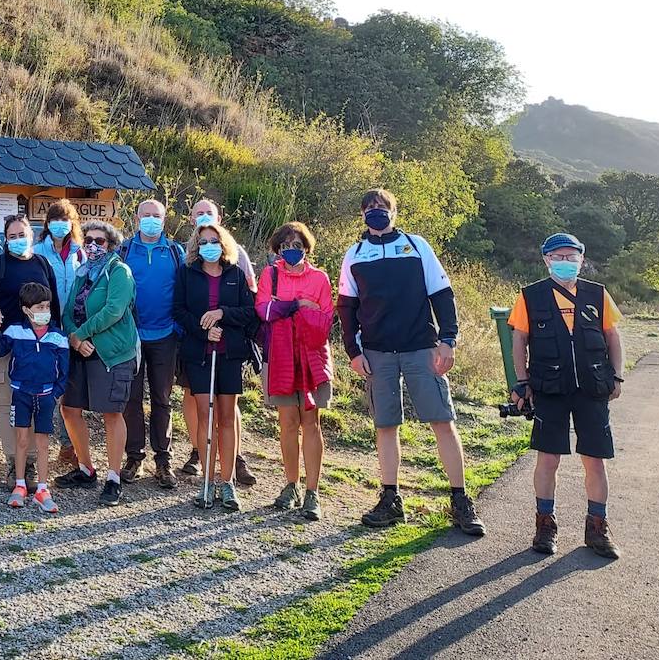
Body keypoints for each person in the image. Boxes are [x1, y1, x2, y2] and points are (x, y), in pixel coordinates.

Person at [339, 188, 485, 536]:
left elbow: (441, 293)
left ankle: (460, 501)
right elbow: (346, 307)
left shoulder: (417, 245)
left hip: (422, 347)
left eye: (383, 207)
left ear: (394, 211)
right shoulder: (354, 254)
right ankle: (391, 500)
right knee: (385, 426)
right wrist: (353, 352)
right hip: (377, 353)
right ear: (362, 215)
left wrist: (448, 339)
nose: (376, 212)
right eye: (370, 208)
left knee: (442, 421)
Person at [508, 232, 624, 559]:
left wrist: (617, 376)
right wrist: (521, 381)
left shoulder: (597, 294)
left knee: (595, 460)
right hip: (549, 389)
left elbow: (612, 337)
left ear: (581, 259)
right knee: (548, 459)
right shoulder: (530, 296)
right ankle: (545, 526)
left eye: (571, 257)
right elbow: (519, 340)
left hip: (592, 389)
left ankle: (597, 528)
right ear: (546, 259)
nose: (565, 262)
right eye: (558, 257)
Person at [173, 221, 258, 511]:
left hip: (229, 355)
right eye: (204, 241)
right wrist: (202, 330)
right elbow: (179, 311)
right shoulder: (187, 273)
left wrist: (222, 313)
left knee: (227, 418)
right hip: (198, 354)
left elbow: (250, 312)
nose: (209, 246)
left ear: (223, 244)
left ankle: (227, 481)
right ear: (197, 246)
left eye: (214, 240)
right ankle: (207, 481)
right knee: (204, 416)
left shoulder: (235, 273)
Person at [56, 220, 139, 506]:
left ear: (111, 244)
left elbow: (113, 310)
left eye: (99, 241)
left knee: (111, 413)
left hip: (112, 353)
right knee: (69, 409)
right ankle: (85, 468)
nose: (92, 245)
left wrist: (81, 334)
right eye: (88, 239)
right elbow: (68, 311)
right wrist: (74, 339)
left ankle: (114, 478)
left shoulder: (119, 272)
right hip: (81, 351)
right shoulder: (83, 273)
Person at [256, 221, 334, 520]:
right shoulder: (270, 274)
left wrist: (284, 308)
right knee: (287, 422)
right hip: (281, 355)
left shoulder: (320, 278)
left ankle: (313, 492)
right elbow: (263, 310)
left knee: (311, 423)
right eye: (285, 246)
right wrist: (297, 305)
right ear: (278, 249)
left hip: (312, 356)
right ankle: (291, 484)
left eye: (297, 245)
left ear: (307, 248)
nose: (291, 250)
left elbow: (325, 318)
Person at [0, 214, 62, 489]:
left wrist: (56, 339)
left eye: (22, 234)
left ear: (32, 234)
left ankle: (33, 461)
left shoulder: (42, 263)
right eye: (12, 236)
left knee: (38, 403)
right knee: (8, 406)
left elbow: (55, 306)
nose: (18, 240)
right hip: (3, 344)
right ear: (5, 239)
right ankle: (14, 462)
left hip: (38, 347)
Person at [0, 282, 70, 513]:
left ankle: (43, 489)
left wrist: (54, 394)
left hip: (45, 395)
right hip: (20, 394)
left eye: (47, 306)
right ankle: (20, 485)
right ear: (26, 309)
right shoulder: (15, 331)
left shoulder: (58, 336)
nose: (45, 311)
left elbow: (64, 371)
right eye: (39, 307)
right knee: (22, 440)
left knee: (43, 443)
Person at [119, 199, 184, 490]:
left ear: (164, 218)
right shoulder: (123, 250)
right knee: (131, 399)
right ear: (136, 217)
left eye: (155, 216)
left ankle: (163, 460)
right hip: (131, 337)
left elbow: (183, 290)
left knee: (162, 399)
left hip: (165, 335)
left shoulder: (174, 251)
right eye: (145, 215)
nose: (150, 220)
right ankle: (134, 456)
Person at [31, 200, 85, 469]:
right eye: (55, 219)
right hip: (45, 327)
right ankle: (35, 448)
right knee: (44, 389)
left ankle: (68, 446)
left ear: (72, 223)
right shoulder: (37, 251)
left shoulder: (81, 253)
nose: (60, 224)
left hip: (73, 329)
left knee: (70, 390)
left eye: (65, 219)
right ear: (47, 223)